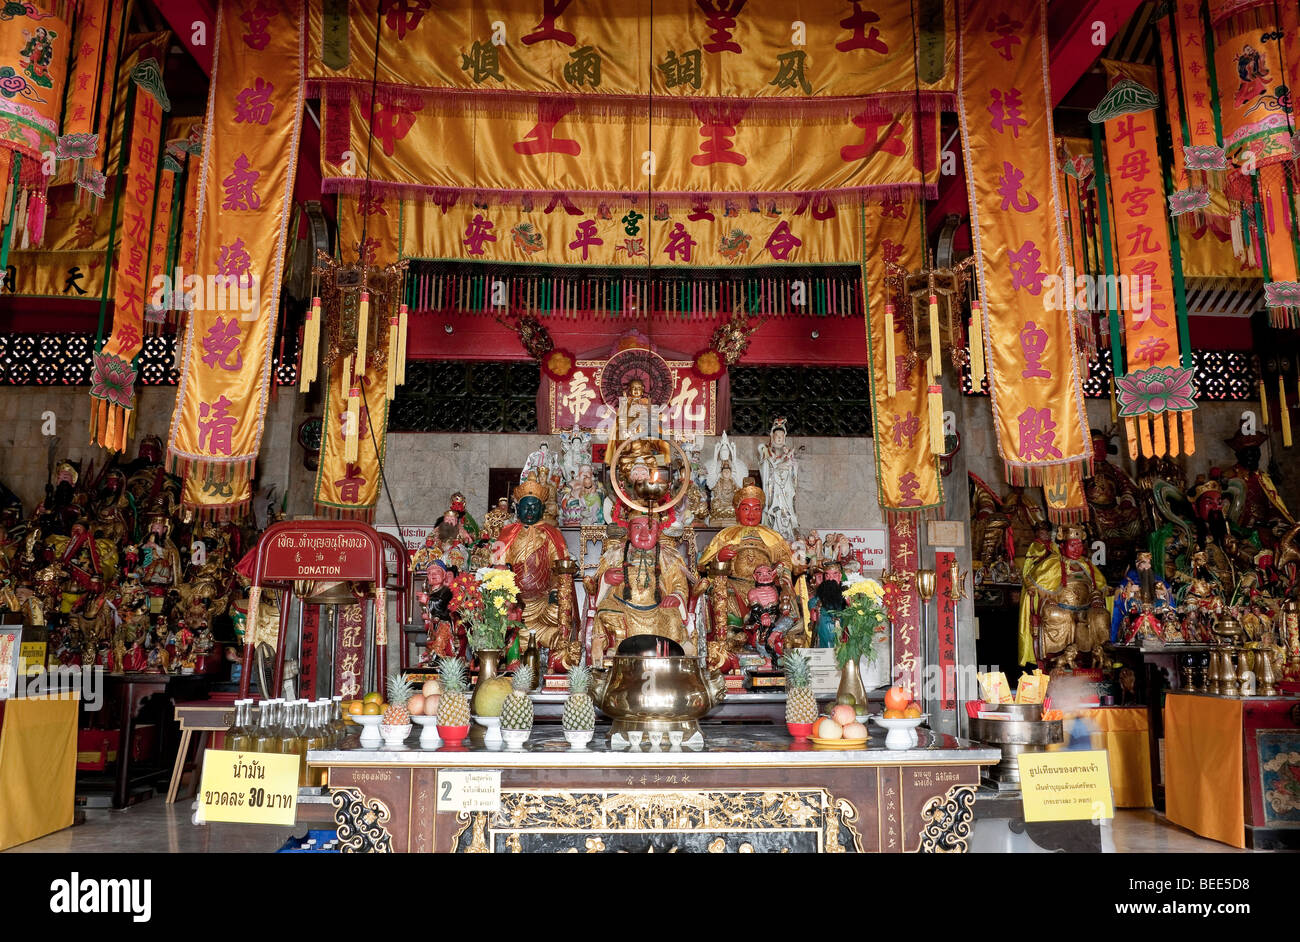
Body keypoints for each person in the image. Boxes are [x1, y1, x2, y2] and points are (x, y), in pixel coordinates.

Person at [589, 513, 691, 662]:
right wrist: (606, 579)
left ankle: (676, 649)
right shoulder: (615, 554)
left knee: (672, 616)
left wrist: (675, 596)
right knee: (605, 610)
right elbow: (596, 585)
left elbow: (679, 584)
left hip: (657, 609)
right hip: (622, 606)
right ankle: (609, 646)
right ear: (629, 531)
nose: (644, 534)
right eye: (637, 527)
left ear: (658, 532)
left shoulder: (668, 557)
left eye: (650, 527)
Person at [496, 477, 575, 664]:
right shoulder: (507, 533)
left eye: (535, 506)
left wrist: (555, 591)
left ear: (542, 509)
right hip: (515, 605)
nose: (530, 510)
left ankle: (555, 654)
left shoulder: (552, 533)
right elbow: (496, 568)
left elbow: (561, 569)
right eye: (526, 506)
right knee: (501, 619)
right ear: (517, 509)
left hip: (543, 605)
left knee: (561, 614)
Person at [1018, 525, 1110, 666]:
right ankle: (1060, 656)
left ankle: (1100, 653)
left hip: (1085, 610)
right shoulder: (1053, 562)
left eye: (1079, 545)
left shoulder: (1087, 565)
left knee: (1102, 615)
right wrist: (1050, 599)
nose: (1077, 549)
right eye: (1072, 545)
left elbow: (1096, 589)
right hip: (1061, 608)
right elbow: (1036, 584)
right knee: (1054, 614)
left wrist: (1096, 600)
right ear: (1063, 545)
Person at [758, 417, 799, 541]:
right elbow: (764, 468)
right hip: (773, 494)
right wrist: (777, 467)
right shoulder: (766, 452)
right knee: (772, 512)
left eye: (782, 436)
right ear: (772, 436)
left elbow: (793, 474)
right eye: (777, 435)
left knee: (787, 512)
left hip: (785, 493)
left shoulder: (788, 455)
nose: (780, 438)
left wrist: (790, 466)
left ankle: (788, 536)